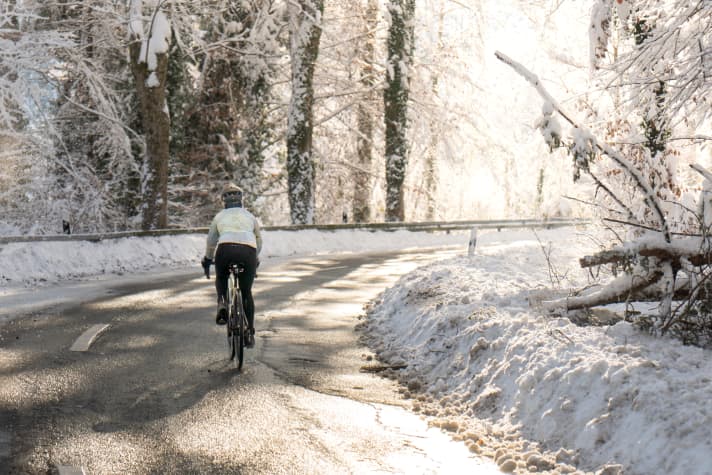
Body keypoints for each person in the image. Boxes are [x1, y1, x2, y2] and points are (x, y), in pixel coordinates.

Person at [201, 183, 262, 347]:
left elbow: (211, 241)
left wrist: (207, 260)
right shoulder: (250, 216)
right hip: (248, 251)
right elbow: (258, 239)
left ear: (224, 201)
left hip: (225, 249)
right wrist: (255, 258)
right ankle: (249, 332)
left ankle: (222, 302)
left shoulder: (219, 217)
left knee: (221, 276)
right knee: (246, 291)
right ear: (241, 200)